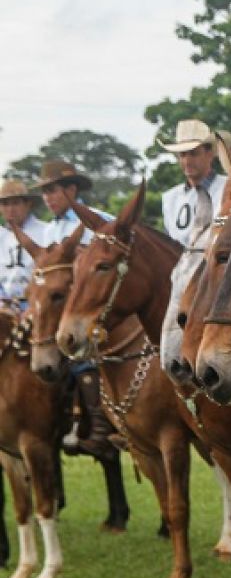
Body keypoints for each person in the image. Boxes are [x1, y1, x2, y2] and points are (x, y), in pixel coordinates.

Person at [33, 160, 119, 461]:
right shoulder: (48, 230)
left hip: (96, 307)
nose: (48, 197)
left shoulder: (100, 220)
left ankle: (103, 428)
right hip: (60, 310)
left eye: (52, 189)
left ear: (72, 189)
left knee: (85, 361)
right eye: (44, 191)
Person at [158, 119, 228, 247]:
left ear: (210, 154)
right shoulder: (170, 198)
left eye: (193, 154)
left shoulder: (229, 188)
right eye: (182, 155)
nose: (187, 161)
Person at [0, 180, 49, 306]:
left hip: (36, 304)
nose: (10, 209)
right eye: (5, 204)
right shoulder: (1, 235)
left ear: (28, 204)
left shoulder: (46, 231)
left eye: (16, 203)